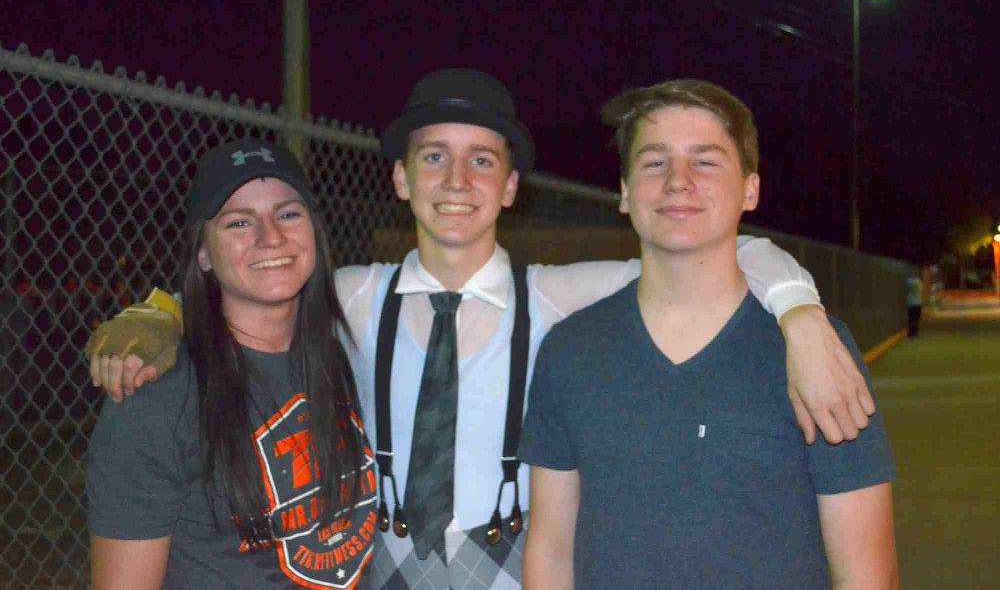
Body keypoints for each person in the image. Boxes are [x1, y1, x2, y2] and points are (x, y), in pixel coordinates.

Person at [86, 69, 876, 590]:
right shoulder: (353, 295)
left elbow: (715, 248)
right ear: (400, 179)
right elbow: (246, 282)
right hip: (385, 569)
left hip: (509, 568)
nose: (456, 181)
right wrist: (154, 314)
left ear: (511, 186)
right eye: (433, 158)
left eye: (481, 161)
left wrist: (800, 312)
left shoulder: (562, 296)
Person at [519, 80, 897, 589]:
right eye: (655, 162)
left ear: (750, 189)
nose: (679, 181)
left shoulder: (816, 353)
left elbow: (867, 576)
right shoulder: (569, 351)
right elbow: (550, 552)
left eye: (706, 161)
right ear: (625, 192)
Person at [86, 140, 377, 589]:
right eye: (239, 222)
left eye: (288, 214)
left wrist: (162, 309)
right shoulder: (158, 398)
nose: (270, 236)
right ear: (203, 254)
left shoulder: (347, 353)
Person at [906, 272, 923, 336]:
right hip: (918, 303)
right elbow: (921, 288)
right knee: (916, 318)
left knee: (911, 318)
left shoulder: (909, 281)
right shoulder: (919, 282)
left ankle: (911, 332)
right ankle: (915, 332)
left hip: (910, 303)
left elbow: (907, 284)